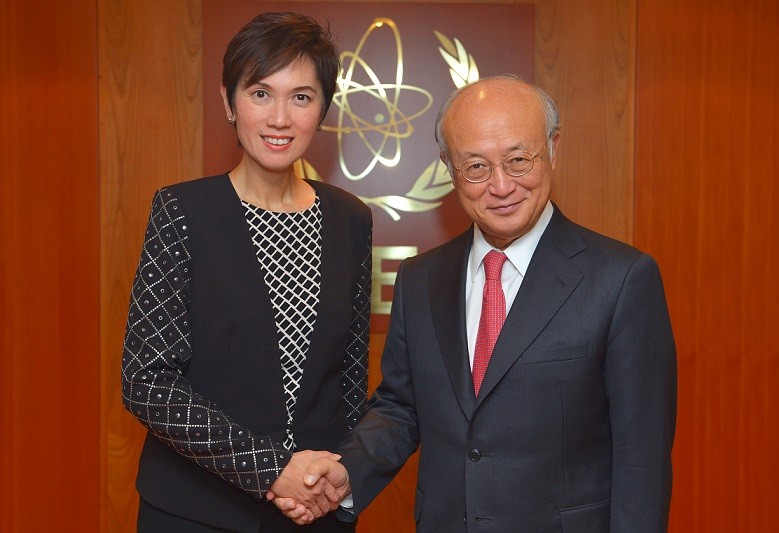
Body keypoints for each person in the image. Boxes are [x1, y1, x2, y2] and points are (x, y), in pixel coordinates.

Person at [273, 75, 677, 532]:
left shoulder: (622, 279)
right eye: (477, 167)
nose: (501, 186)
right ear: (449, 166)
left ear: (553, 148)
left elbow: (642, 458)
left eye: (519, 160)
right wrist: (347, 474)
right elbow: (401, 406)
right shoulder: (420, 279)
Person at [121, 11, 372, 532]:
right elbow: (146, 380)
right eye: (260, 93)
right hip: (195, 513)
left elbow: (349, 381)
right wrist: (270, 469)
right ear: (228, 100)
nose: (279, 118)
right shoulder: (182, 211)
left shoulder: (351, 219)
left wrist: (332, 479)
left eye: (301, 97)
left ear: (323, 108)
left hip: (312, 513)